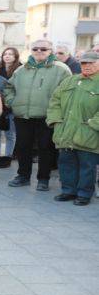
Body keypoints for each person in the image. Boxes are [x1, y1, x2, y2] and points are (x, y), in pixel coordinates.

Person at [4, 39, 71, 191]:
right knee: (22, 147)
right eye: (35, 49)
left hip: (46, 116)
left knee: (45, 149)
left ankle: (43, 179)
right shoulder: (21, 70)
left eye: (43, 49)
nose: (39, 51)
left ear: (50, 51)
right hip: (23, 116)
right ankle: (23, 176)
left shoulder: (61, 69)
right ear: (31, 50)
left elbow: (68, 93)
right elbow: (9, 87)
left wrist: (57, 112)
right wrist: (12, 102)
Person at [47, 52, 99, 206]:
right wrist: (56, 121)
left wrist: (92, 124)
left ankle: (84, 194)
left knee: (87, 166)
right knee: (66, 163)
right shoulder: (70, 80)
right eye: (84, 63)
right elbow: (54, 101)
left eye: (91, 63)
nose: (87, 66)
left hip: (88, 132)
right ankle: (68, 191)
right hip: (66, 131)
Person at [0, 47, 22, 168]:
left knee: (10, 134)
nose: (7, 56)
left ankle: (8, 156)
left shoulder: (21, 70)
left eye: (11, 54)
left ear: (16, 56)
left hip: (12, 107)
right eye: (5, 54)